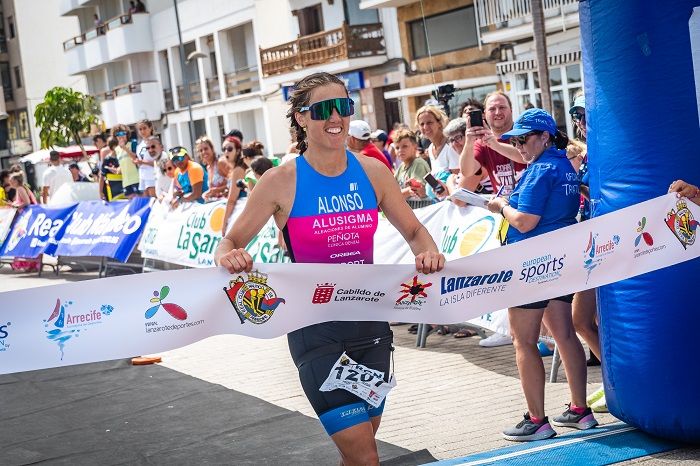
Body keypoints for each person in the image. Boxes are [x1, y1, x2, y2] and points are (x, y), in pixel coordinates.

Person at [215, 72, 445, 465]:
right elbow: (230, 242)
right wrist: (228, 256)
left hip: (371, 330)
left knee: (356, 453)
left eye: (343, 106)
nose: (336, 116)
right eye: (324, 109)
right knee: (365, 455)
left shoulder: (373, 173)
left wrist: (429, 252)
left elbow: (415, 231)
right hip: (317, 332)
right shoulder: (279, 181)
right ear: (302, 119)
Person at [486, 108, 597, 441]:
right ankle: (580, 410)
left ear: (545, 137)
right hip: (559, 260)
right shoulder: (565, 164)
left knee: (524, 341)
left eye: (523, 138)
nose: (518, 145)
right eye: (515, 140)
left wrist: (500, 205)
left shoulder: (541, 170)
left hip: (530, 263)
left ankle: (537, 421)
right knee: (564, 334)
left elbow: (524, 221)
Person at [461, 91, 527, 196]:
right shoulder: (481, 143)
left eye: (502, 107)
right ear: (484, 114)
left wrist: (496, 145)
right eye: (492, 109)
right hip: (505, 207)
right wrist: (468, 143)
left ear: (511, 110)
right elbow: (467, 171)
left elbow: (527, 156)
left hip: (532, 204)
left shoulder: (525, 132)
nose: (497, 112)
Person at [392, 128, 431, 205]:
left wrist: (395, 195)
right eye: (397, 148)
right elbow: (392, 189)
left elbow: (415, 190)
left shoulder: (418, 163)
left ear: (415, 147)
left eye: (405, 146)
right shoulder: (401, 167)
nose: (400, 150)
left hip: (421, 210)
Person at [220, 136, 248, 235]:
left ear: (238, 151)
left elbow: (232, 200)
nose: (226, 152)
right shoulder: (238, 167)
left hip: (240, 209)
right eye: (224, 149)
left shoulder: (238, 169)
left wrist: (224, 224)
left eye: (230, 149)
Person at [197, 136, 231, 201]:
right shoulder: (208, 167)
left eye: (206, 149)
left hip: (229, 201)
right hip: (217, 203)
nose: (203, 152)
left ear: (212, 149)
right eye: (201, 150)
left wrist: (218, 190)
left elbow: (235, 182)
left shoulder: (220, 163)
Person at [112, 124, 140, 198]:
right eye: (118, 134)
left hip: (137, 179)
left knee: (140, 201)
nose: (120, 136)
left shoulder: (133, 143)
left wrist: (124, 148)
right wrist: (117, 170)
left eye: (123, 133)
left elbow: (135, 158)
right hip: (126, 182)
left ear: (127, 134)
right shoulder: (117, 149)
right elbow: (124, 164)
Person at [134, 120, 157, 197]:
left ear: (150, 128)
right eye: (140, 129)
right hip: (143, 176)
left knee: (154, 201)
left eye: (144, 128)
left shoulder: (154, 142)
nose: (142, 131)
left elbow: (159, 162)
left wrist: (143, 162)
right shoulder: (139, 145)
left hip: (153, 176)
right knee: (147, 202)